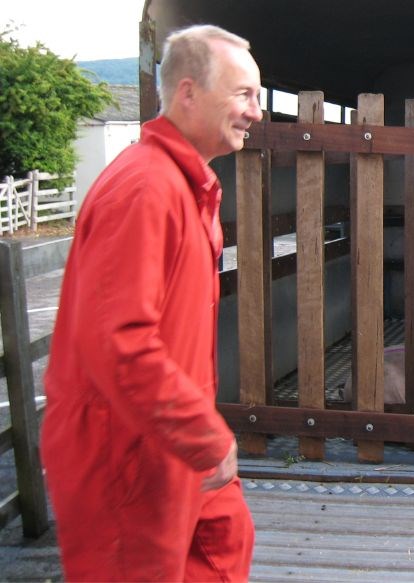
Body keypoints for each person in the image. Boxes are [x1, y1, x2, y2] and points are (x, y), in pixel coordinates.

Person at [41, 24, 263, 580]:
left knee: (222, 544)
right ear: (188, 92)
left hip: (171, 440)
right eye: (244, 94)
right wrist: (204, 434)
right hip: (125, 451)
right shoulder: (145, 189)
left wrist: (198, 434)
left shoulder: (185, 185)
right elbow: (119, 339)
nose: (257, 112)